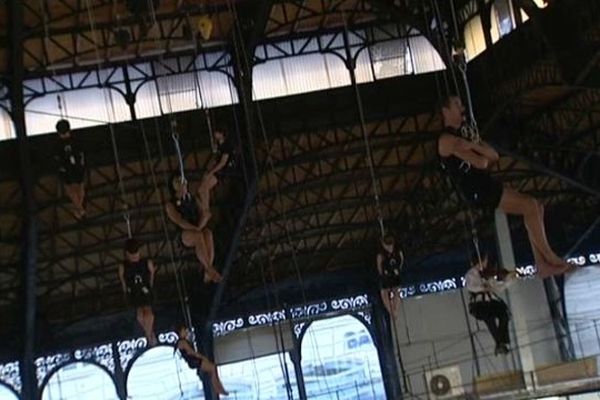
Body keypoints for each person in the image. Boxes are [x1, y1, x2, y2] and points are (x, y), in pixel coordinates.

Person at [437, 95, 573, 279]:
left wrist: (474, 144)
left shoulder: (464, 135)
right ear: (445, 111)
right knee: (530, 206)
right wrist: (476, 147)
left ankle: (542, 263)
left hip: (484, 184)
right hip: (477, 190)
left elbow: (492, 156)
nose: (462, 107)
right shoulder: (445, 139)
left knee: (536, 207)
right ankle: (548, 257)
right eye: (456, 104)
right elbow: (481, 161)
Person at [166, 170, 225, 283]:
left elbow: (203, 213)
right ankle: (209, 268)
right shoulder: (170, 204)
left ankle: (208, 266)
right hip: (184, 234)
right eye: (178, 182)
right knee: (198, 235)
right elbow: (180, 221)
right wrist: (196, 228)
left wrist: (204, 218)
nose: (182, 184)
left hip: (198, 227)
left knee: (208, 233)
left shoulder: (192, 198)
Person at [465, 254, 515, 355]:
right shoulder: (470, 274)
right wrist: (483, 287)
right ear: (480, 261)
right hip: (479, 304)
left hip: (491, 302)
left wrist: (509, 281)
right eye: (485, 261)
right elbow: (471, 287)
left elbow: (497, 287)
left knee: (504, 315)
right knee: (489, 318)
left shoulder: (487, 274)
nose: (486, 263)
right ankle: (499, 343)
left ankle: (501, 342)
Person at [118, 238, 157, 346]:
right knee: (140, 314)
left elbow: (151, 275)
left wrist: (151, 286)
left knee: (147, 312)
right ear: (127, 254)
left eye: (136, 254)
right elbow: (123, 281)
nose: (135, 257)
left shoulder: (146, 262)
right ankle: (149, 333)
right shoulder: (123, 266)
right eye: (132, 255)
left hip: (144, 289)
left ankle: (149, 334)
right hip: (134, 291)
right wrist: (125, 292)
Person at [175, 324, 229, 397]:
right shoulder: (183, 342)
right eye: (185, 330)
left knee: (212, 369)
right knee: (212, 368)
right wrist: (203, 358)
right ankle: (218, 388)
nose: (186, 332)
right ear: (181, 331)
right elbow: (192, 352)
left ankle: (218, 387)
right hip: (194, 361)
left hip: (192, 361)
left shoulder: (180, 342)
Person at [55, 119, 86, 219]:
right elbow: (82, 153)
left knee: (70, 188)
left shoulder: (58, 144)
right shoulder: (76, 140)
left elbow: (57, 158)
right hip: (77, 166)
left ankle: (79, 208)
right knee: (79, 186)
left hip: (66, 168)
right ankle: (79, 208)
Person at [376, 235, 404, 315]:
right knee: (396, 292)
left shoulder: (381, 254)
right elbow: (401, 263)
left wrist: (383, 275)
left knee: (384, 293)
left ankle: (392, 311)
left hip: (387, 276)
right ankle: (393, 311)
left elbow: (379, 267)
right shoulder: (398, 252)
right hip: (395, 275)